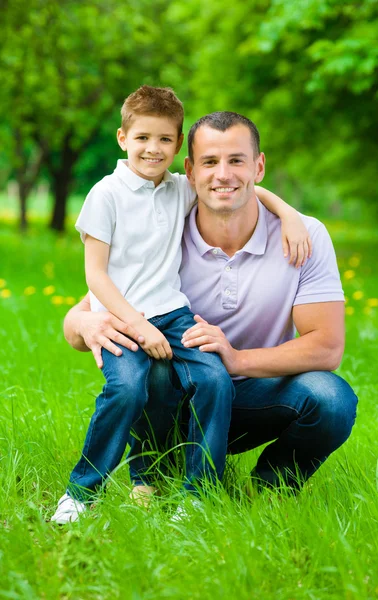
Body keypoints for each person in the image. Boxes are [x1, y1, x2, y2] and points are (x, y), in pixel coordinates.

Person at [51, 89, 312, 524]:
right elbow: (95, 275)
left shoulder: (177, 189)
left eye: (165, 140)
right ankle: (80, 493)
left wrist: (289, 213)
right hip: (121, 318)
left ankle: (198, 493)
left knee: (214, 380)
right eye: (142, 138)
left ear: (177, 149)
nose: (152, 149)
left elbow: (239, 189)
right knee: (128, 389)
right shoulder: (105, 195)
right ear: (122, 138)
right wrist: (137, 326)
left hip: (173, 313)